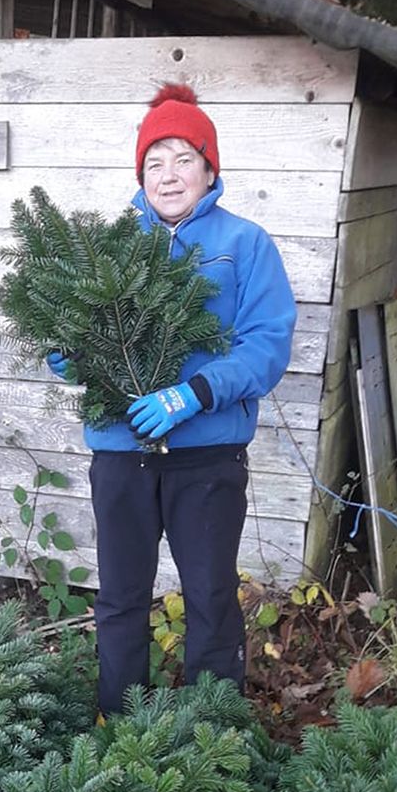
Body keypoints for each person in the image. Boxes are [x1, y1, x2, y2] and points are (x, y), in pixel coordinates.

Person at [50, 83, 297, 720]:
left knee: (211, 593)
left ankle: (212, 732)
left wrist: (193, 394)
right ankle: (120, 723)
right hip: (121, 454)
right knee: (121, 596)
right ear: (140, 174)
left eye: (183, 158)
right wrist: (71, 354)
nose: (168, 175)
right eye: (154, 161)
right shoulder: (108, 248)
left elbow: (267, 343)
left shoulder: (244, 245)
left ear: (210, 168)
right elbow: (85, 331)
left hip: (206, 457)